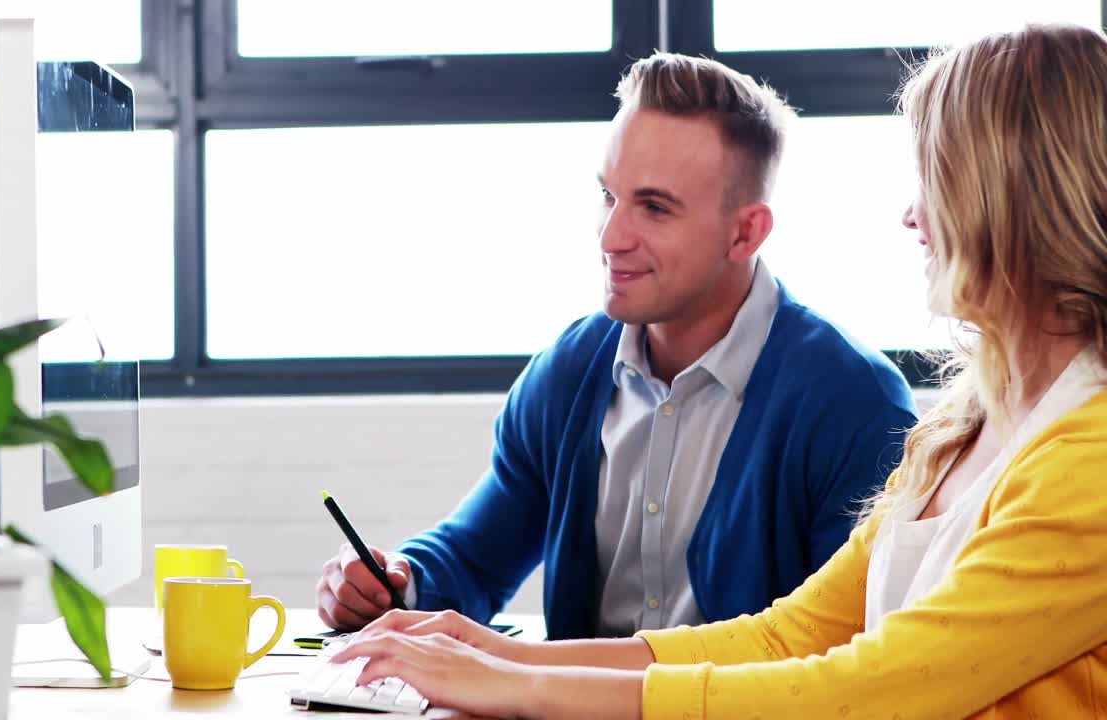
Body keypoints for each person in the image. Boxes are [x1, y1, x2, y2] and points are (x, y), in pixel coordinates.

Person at [331, 22, 1107, 719]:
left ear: (1017, 204)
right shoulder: (958, 426)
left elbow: (864, 688)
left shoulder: (1086, 459)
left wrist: (518, 683)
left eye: (937, 181)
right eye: (608, 197)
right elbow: (791, 634)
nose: (911, 215)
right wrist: (493, 654)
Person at [317, 53, 917, 641]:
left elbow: (844, 651)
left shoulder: (854, 402)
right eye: (609, 195)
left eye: (654, 207)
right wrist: (396, 581)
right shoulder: (571, 368)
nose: (611, 237)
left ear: (746, 232)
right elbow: (475, 557)